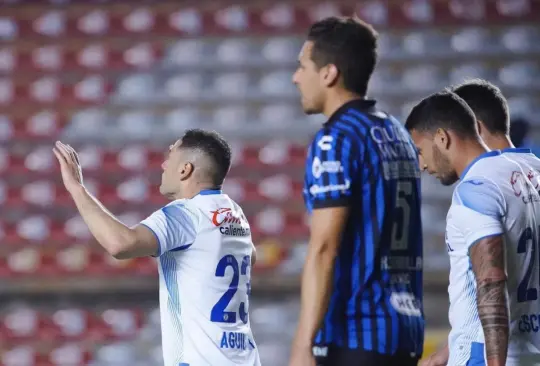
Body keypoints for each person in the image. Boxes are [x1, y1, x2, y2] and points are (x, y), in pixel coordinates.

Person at [53, 129, 260, 366]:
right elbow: (249, 255)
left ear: (185, 169)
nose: (163, 164)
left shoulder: (186, 213)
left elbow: (120, 244)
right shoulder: (234, 213)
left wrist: (77, 188)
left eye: (170, 156)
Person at [289, 16, 424, 366]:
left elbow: (324, 247)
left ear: (329, 74)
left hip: (354, 332)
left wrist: (303, 345)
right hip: (403, 329)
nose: (295, 77)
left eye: (303, 66)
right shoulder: (396, 133)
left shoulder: (337, 138)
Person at [406, 91, 540, 366]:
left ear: (442, 138)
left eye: (419, 151)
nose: (420, 165)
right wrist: (446, 352)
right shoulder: (533, 170)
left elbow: (491, 281)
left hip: (486, 357)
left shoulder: (475, 190)